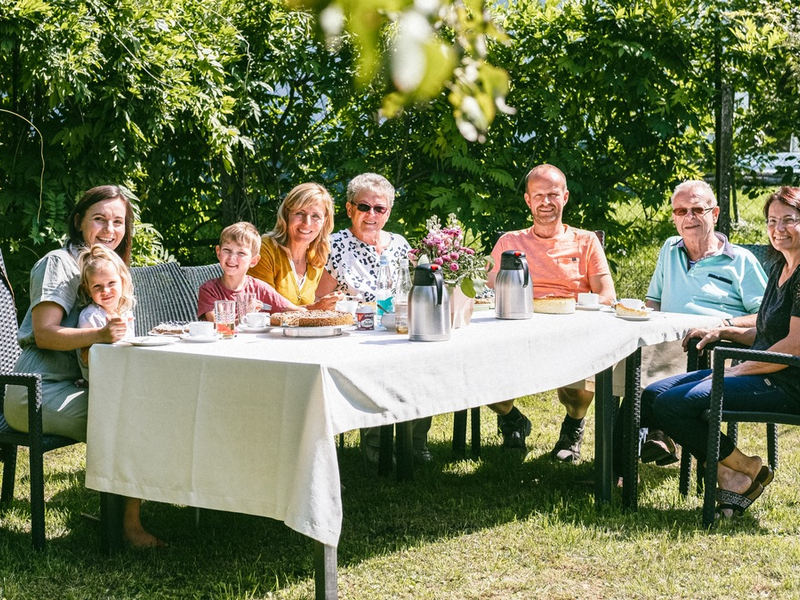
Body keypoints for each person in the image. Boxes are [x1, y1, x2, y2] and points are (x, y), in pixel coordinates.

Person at [3, 185, 162, 547]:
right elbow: (44, 335)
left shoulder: (108, 269)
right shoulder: (58, 262)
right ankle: (127, 526)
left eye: (118, 221)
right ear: (79, 221)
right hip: (36, 391)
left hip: (80, 385)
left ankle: (125, 512)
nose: (110, 229)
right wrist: (100, 336)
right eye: (99, 219)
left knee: (154, 403)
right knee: (133, 415)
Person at [648, 186, 800, 516]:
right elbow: (767, 328)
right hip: (762, 369)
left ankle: (737, 474)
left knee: (673, 405)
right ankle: (741, 469)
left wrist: (739, 369)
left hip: (787, 383)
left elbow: (793, 346)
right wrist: (724, 330)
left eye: (789, 220)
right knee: (653, 393)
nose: (779, 229)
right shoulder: (780, 267)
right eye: (772, 221)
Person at [625, 180, 768, 467]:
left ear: (714, 214)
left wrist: (722, 324)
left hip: (715, 349)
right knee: (632, 363)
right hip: (667, 342)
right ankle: (652, 440)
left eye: (697, 209)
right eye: (681, 211)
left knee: (641, 374)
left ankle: (623, 466)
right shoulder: (669, 249)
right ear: (674, 217)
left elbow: (765, 317)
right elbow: (653, 302)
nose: (689, 217)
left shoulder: (741, 260)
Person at [486, 164, 616, 459]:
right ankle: (512, 419)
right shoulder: (509, 243)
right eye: (539, 195)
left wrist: (575, 310)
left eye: (553, 194)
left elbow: (608, 295)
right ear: (528, 200)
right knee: (484, 381)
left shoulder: (586, 241)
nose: (546, 202)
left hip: (570, 334)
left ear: (565, 197)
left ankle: (572, 428)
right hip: (514, 333)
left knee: (576, 391)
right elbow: (487, 292)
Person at [315, 172, 433, 464]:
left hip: (399, 329)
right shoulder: (334, 245)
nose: (371, 214)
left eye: (379, 208)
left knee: (428, 362)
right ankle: (376, 442)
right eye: (364, 207)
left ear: (388, 212)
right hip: (356, 336)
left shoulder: (400, 244)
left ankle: (416, 440)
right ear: (349, 209)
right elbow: (319, 301)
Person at [249, 183, 343, 310]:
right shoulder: (265, 249)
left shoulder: (317, 257)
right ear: (286, 214)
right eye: (300, 213)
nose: (307, 223)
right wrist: (315, 308)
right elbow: (264, 308)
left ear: (325, 221)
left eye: (315, 216)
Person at [197, 222, 300, 321]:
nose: (232, 258)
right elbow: (218, 325)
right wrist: (247, 316)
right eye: (227, 250)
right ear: (218, 253)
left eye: (241, 253)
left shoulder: (260, 289)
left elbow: (296, 311)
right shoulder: (209, 290)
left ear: (254, 261)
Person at [75, 244, 136, 380]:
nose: (105, 291)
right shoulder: (91, 316)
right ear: (87, 290)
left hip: (124, 374)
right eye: (97, 286)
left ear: (123, 281)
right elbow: (86, 357)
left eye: (111, 283)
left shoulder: (126, 313)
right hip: (102, 381)